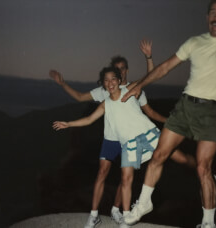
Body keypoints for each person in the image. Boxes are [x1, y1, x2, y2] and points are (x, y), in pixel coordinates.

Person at [121, 1, 216, 228]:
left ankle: (208, 223)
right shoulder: (195, 42)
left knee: (204, 168)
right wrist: (140, 84)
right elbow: (165, 67)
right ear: (207, 17)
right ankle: (144, 204)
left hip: (212, 112)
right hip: (185, 107)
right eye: (213, 12)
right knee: (158, 156)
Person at [49, 40, 180, 228]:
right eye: (113, 72)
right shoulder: (104, 94)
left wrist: (148, 57)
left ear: (122, 74)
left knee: (128, 177)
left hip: (135, 138)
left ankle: (119, 211)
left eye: (122, 69)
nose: (118, 75)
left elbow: (151, 77)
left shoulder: (133, 89)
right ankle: (96, 216)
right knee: (108, 174)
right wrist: (63, 87)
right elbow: (83, 105)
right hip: (113, 140)